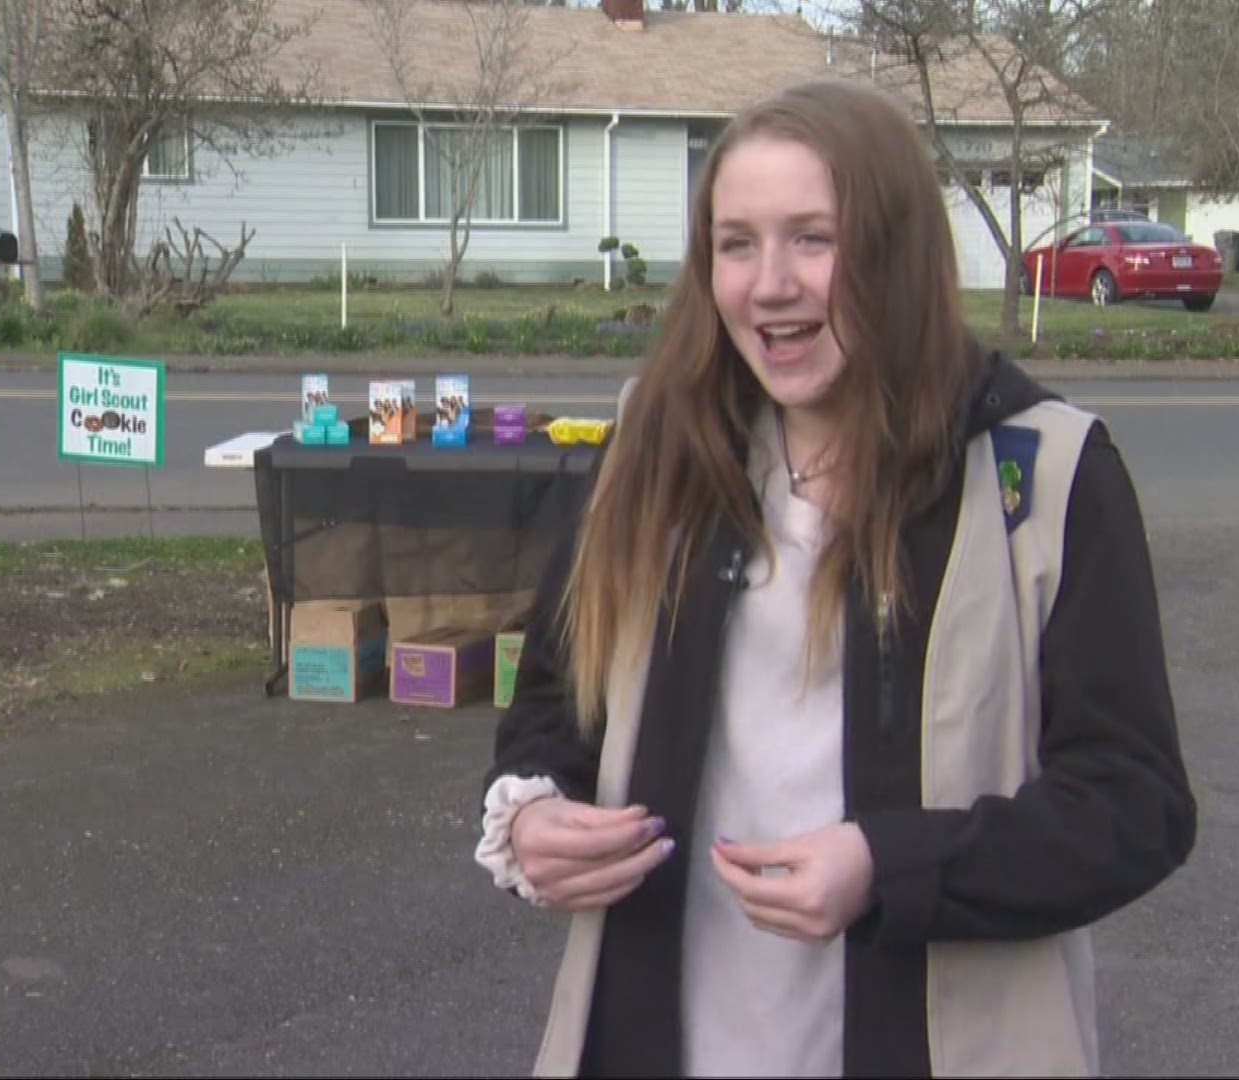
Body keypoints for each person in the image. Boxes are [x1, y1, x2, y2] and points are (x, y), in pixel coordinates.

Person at [473, 77, 1196, 1078]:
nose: (770, 284)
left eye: (814, 238)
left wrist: (888, 867)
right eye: (737, 243)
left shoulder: (1046, 475)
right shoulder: (657, 451)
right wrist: (535, 812)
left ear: (896, 253)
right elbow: (558, 698)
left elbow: (1133, 804)